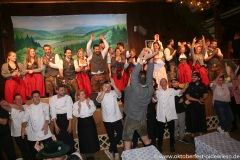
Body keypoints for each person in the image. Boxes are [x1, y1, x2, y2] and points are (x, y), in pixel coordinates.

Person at [123, 48, 156, 150]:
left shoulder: (136, 89)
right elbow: (149, 73)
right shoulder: (150, 88)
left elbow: (134, 73)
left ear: (136, 81)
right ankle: (152, 155)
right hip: (142, 119)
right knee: (146, 140)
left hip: (131, 119)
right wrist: (150, 58)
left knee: (127, 143)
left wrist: (144, 58)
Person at [153, 78, 188, 153]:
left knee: (172, 131)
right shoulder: (158, 91)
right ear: (160, 83)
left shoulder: (171, 90)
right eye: (161, 81)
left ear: (166, 82)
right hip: (161, 114)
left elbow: (179, 93)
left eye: (164, 81)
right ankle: (160, 146)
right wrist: (155, 96)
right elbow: (154, 100)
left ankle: (172, 145)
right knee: (160, 132)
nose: (163, 82)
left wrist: (185, 88)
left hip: (170, 114)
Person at [96, 78, 123, 160]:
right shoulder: (100, 93)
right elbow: (98, 100)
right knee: (111, 137)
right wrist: (103, 91)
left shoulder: (114, 92)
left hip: (117, 117)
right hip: (107, 120)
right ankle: (116, 153)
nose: (108, 88)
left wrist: (114, 85)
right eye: (106, 86)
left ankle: (110, 149)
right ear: (102, 87)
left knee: (121, 134)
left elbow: (119, 94)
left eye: (109, 86)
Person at [21, 90, 53, 158]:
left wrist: (46, 124)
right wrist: (23, 128)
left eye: (38, 96)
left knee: (50, 152)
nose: (37, 98)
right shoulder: (29, 108)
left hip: (45, 132)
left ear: (40, 97)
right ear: (32, 98)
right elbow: (25, 119)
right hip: (33, 134)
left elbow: (47, 115)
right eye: (35, 97)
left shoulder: (45, 105)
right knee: (35, 155)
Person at [1, 94, 32, 160]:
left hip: (27, 133)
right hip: (17, 134)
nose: (19, 100)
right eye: (17, 99)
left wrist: (8, 103)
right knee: (24, 151)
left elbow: (20, 107)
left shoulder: (26, 106)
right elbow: (2, 105)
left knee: (30, 150)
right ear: (14, 101)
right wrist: (3, 103)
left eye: (20, 99)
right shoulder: (11, 109)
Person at [73, 90, 100, 160]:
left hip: (89, 120)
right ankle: (87, 155)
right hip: (81, 122)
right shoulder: (75, 104)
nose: (84, 95)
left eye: (84, 94)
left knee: (91, 137)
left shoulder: (89, 101)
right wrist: (79, 107)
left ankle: (92, 155)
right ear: (78, 96)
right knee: (83, 138)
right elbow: (75, 114)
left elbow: (93, 110)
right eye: (82, 94)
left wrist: (88, 104)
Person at [49, 85, 75, 154]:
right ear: (57, 91)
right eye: (61, 90)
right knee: (59, 140)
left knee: (69, 140)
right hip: (57, 120)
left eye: (64, 90)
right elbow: (53, 112)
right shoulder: (52, 99)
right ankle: (61, 156)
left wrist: (69, 124)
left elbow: (69, 111)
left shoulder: (68, 98)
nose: (63, 92)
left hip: (66, 119)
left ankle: (70, 155)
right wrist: (55, 125)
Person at [185, 72, 208, 141]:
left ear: (199, 78)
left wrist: (203, 99)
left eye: (194, 77)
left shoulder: (203, 85)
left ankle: (200, 135)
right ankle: (192, 136)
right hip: (191, 106)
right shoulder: (189, 85)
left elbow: (206, 94)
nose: (193, 78)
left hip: (200, 105)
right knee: (192, 120)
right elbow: (187, 96)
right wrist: (197, 100)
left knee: (200, 119)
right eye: (192, 77)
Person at [171, 78, 190, 144]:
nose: (174, 83)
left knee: (182, 125)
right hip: (173, 112)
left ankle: (181, 138)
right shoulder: (170, 91)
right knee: (174, 126)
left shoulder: (182, 90)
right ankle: (174, 139)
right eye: (173, 82)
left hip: (181, 110)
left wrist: (184, 101)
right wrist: (178, 101)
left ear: (178, 82)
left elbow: (185, 98)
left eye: (175, 82)